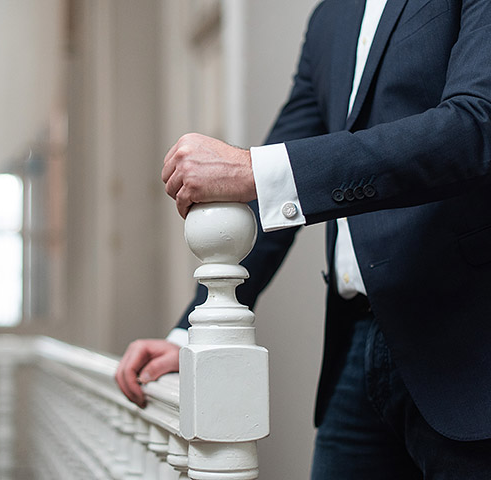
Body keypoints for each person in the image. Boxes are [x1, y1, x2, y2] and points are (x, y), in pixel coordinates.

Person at [115, 0, 491, 478]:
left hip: (468, 345)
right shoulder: (328, 17)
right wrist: (188, 331)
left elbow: (476, 127)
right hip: (354, 347)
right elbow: (267, 191)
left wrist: (253, 168)